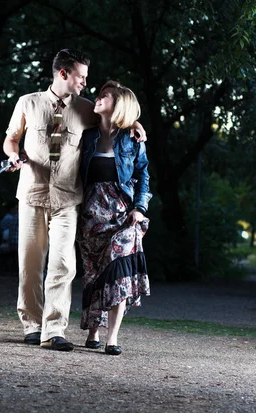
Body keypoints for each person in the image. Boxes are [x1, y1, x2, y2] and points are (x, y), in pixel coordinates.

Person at [3, 49, 147, 351]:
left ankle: (54, 330)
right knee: (30, 265)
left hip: (68, 200)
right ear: (64, 74)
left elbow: (116, 118)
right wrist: (13, 153)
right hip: (31, 194)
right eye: (81, 76)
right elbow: (11, 138)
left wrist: (135, 126)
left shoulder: (86, 109)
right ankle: (32, 324)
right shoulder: (27, 103)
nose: (85, 82)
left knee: (64, 264)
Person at [78, 80, 152, 355]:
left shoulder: (131, 139)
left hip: (124, 215)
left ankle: (113, 338)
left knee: (119, 272)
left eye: (105, 96)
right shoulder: (87, 137)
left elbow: (143, 176)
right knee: (93, 274)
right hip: (90, 216)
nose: (97, 98)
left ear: (118, 104)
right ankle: (93, 332)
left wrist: (140, 208)